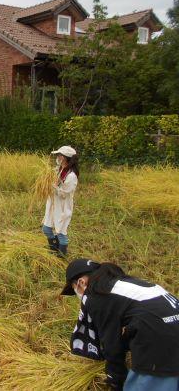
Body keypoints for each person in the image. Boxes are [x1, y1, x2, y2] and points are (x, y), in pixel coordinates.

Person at [62, 258, 179, 390]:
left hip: (160, 341)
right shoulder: (124, 283)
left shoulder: (97, 295)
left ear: (81, 283)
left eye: (73, 289)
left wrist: (115, 378)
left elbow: (111, 343)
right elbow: (142, 315)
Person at [42, 145, 79, 257]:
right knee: (46, 228)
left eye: (59, 155)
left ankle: (61, 255)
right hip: (53, 203)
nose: (58, 157)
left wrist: (53, 186)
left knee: (61, 232)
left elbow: (64, 193)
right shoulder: (60, 169)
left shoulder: (72, 176)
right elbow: (53, 179)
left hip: (63, 206)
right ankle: (54, 249)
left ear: (65, 157)